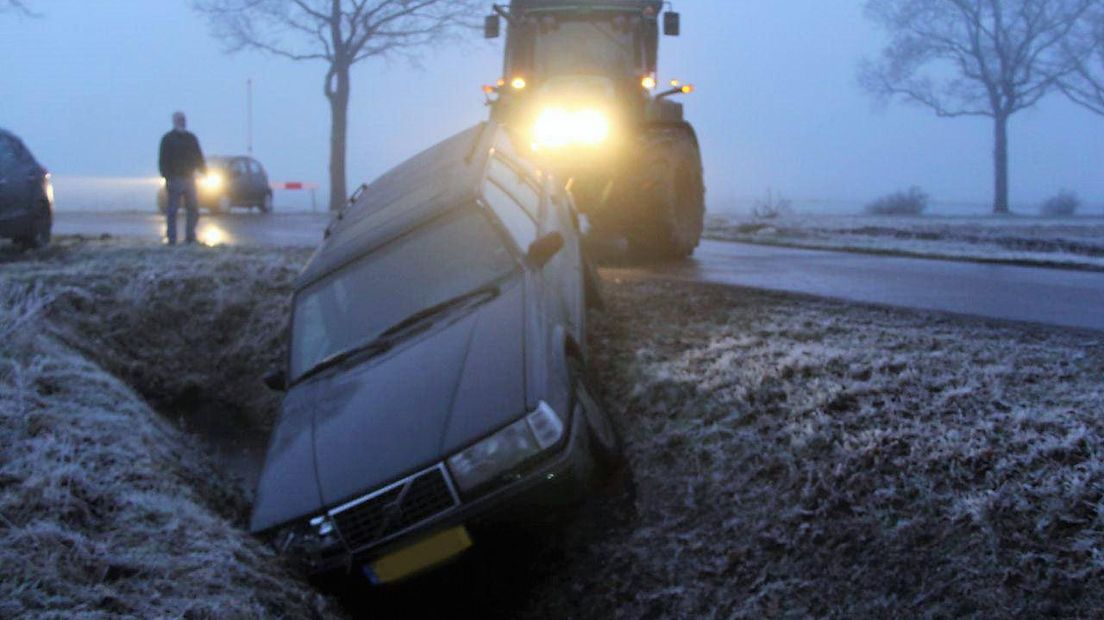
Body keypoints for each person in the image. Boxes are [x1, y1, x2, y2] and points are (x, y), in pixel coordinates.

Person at [158, 112, 206, 245]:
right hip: (174, 179)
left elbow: (198, 155)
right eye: (179, 119)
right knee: (173, 210)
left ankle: (190, 237)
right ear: (174, 121)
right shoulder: (168, 139)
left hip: (189, 178)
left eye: (183, 119)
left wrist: (203, 170)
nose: (182, 121)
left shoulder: (191, 138)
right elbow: (163, 158)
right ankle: (172, 238)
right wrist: (166, 175)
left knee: (193, 209)